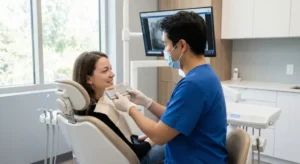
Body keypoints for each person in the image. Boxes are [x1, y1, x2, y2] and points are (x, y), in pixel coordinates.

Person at [112, 11, 228, 163]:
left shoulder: (193, 85)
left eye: (166, 44)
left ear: (181, 45)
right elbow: (177, 118)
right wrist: (147, 102)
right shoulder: (204, 76)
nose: (165, 51)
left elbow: (159, 136)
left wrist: (129, 108)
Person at [72, 51, 165, 164]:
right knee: (176, 139)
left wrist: (139, 139)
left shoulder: (86, 109)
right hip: (137, 159)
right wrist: (154, 138)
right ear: (88, 79)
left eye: (110, 69)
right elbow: (135, 152)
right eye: (105, 70)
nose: (112, 74)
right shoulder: (99, 113)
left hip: (119, 155)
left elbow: (119, 141)